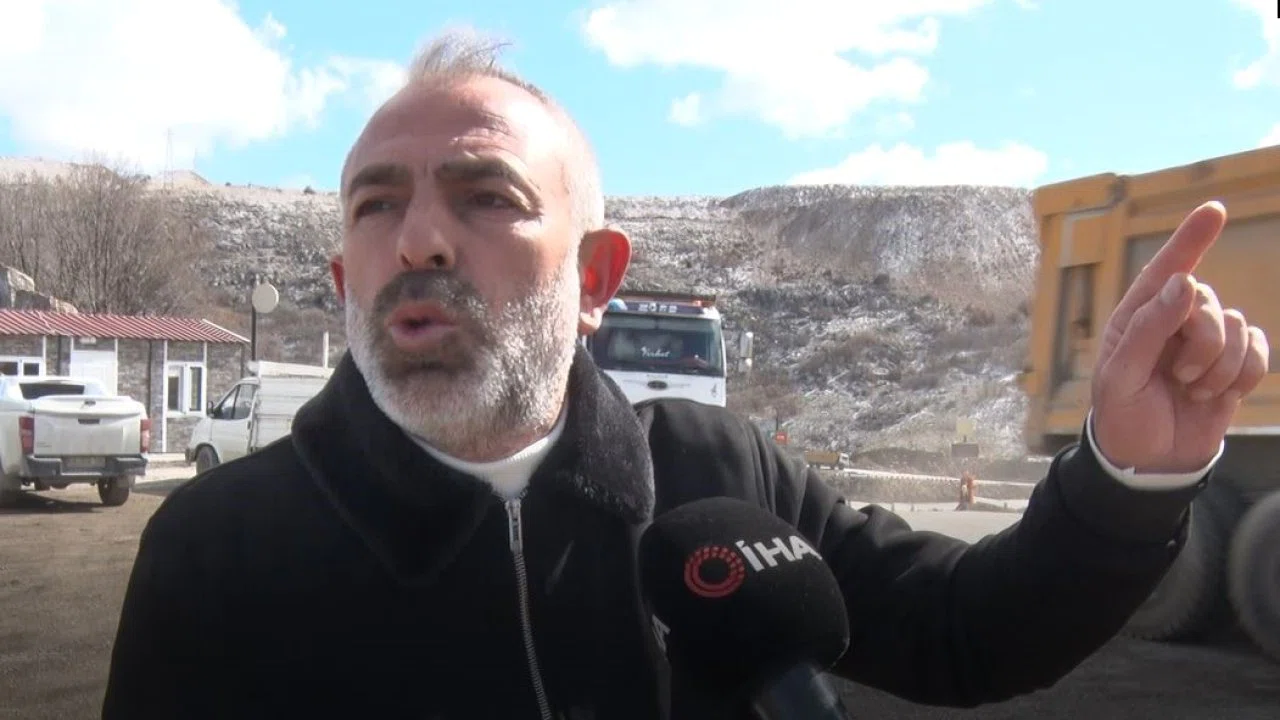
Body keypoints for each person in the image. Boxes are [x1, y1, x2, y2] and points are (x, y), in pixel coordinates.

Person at [101, 29, 1270, 720]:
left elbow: (965, 633)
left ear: (596, 275)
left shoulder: (718, 472)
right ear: (342, 278)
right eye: (375, 206)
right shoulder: (217, 551)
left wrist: (1127, 479)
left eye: (485, 195)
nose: (418, 241)